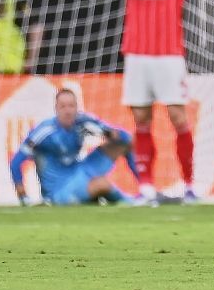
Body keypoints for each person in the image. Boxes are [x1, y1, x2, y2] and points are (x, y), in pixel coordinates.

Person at [95, 0, 197, 202]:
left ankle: (188, 183)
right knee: (141, 120)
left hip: (168, 55)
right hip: (137, 55)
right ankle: (146, 185)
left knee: (178, 117)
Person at [9, 88, 138, 205]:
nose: (68, 111)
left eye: (71, 106)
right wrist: (23, 197)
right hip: (59, 190)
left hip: (78, 170)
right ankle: (131, 203)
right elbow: (16, 163)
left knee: (125, 144)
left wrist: (107, 133)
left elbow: (122, 137)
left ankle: (143, 187)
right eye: (63, 106)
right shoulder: (45, 131)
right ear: (56, 109)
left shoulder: (82, 122)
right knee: (102, 184)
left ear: (77, 107)